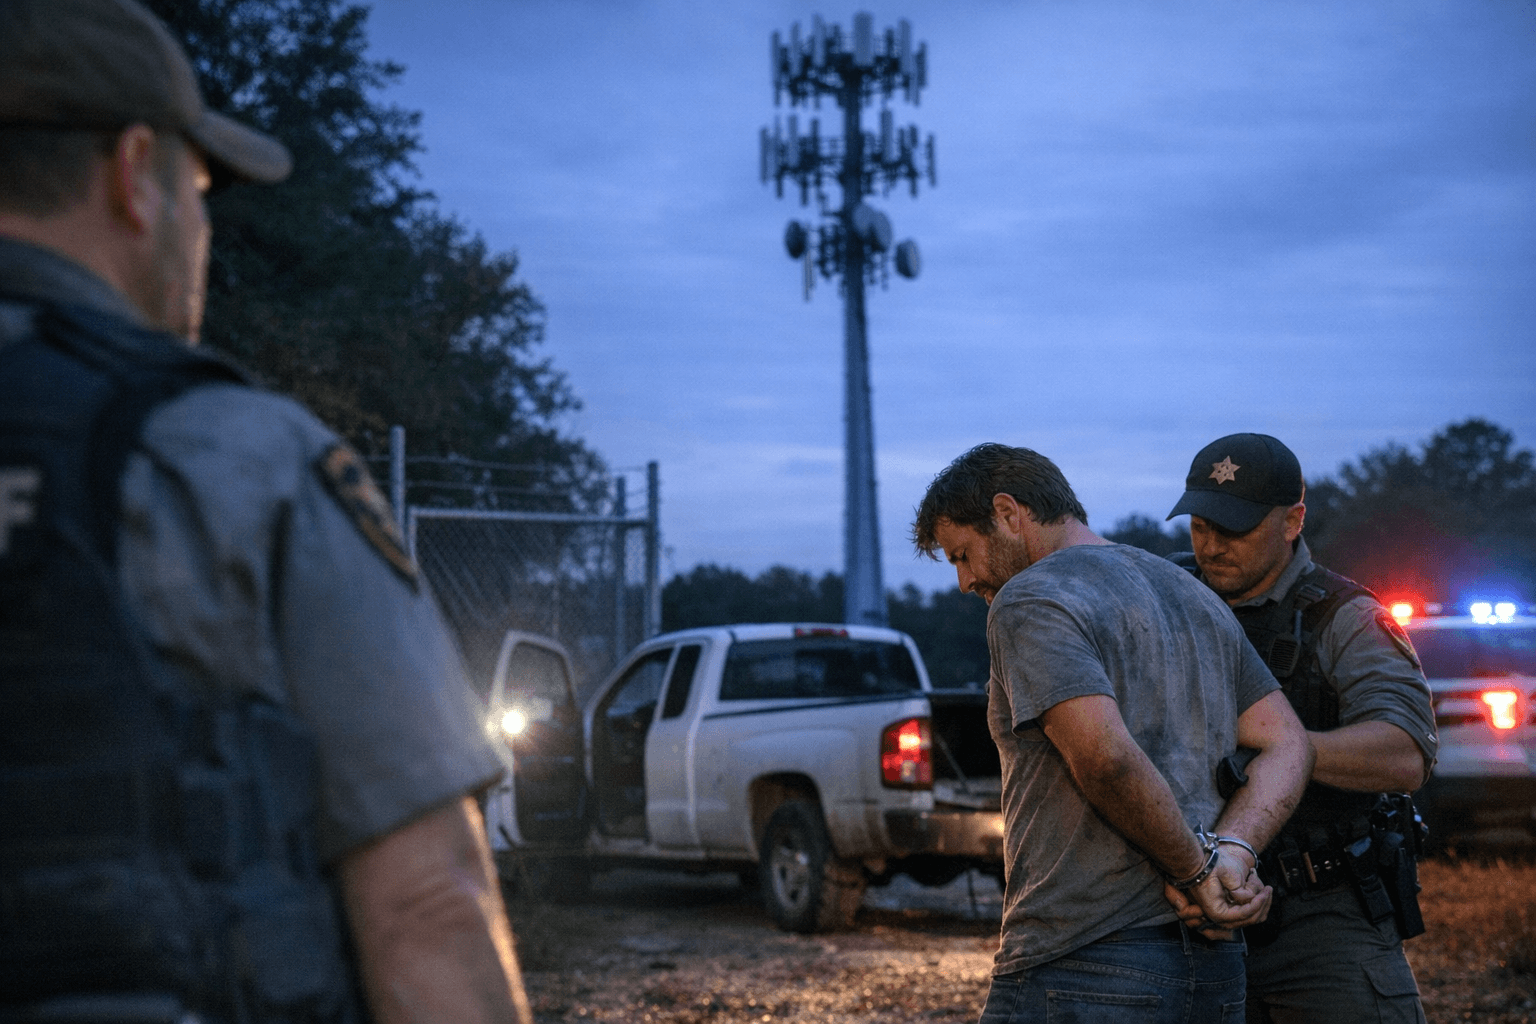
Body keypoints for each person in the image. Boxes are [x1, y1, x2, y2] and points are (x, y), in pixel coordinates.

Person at [0, 1, 533, 1021]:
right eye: (200, 190)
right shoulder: (241, 463)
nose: (203, 227)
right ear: (134, 174)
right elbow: (427, 906)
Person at [912, 442, 1312, 1024]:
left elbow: (1105, 759)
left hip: (1084, 956)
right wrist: (1231, 856)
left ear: (1007, 512)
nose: (963, 580)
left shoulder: (1031, 598)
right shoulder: (1192, 593)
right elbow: (1288, 743)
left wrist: (1197, 871)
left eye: (963, 554)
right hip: (1214, 963)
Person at [1165, 432, 1438, 1024]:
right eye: (1199, 526)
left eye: (1234, 528)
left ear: (1292, 521)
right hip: (1177, 910)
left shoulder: (1345, 616)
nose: (1211, 545)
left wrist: (1273, 749)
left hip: (1319, 916)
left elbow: (1404, 751)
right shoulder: (1167, 598)